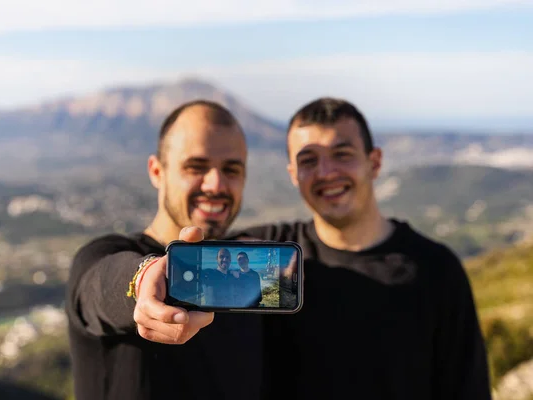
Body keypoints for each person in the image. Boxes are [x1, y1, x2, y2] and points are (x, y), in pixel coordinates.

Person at [134, 97, 493, 399]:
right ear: (293, 173)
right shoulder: (272, 252)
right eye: (308, 160)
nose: (326, 172)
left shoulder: (434, 269)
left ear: (375, 162)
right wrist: (146, 274)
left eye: (342, 154)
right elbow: (168, 261)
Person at [65, 100, 266, 400]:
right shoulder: (103, 254)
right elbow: (98, 287)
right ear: (157, 172)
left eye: (232, 170)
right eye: (195, 167)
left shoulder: (252, 258)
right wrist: (144, 279)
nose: (215, 184)